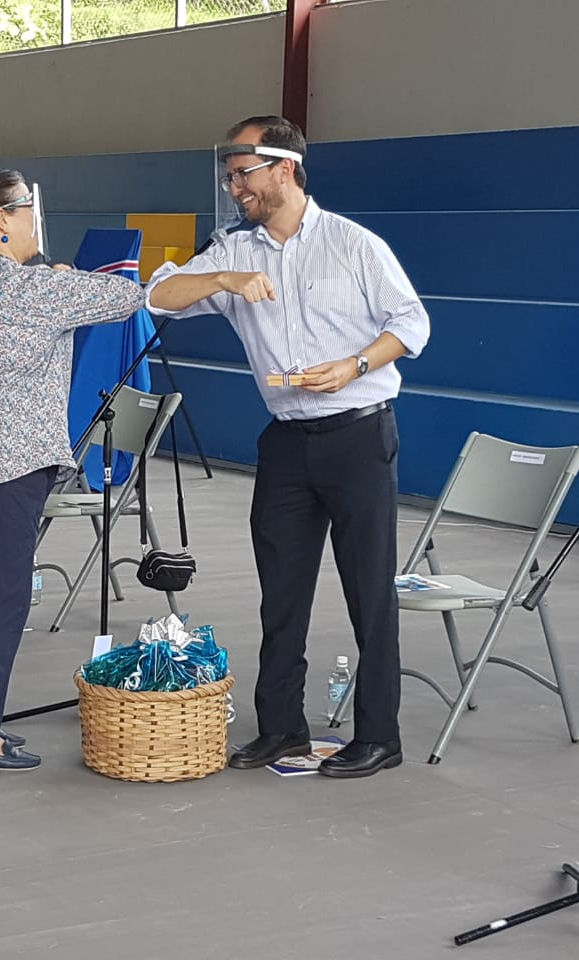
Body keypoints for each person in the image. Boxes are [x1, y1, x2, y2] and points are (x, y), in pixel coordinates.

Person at [146, 116, 431, 780]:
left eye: (242, 171)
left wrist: (355, 365)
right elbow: (158, 295)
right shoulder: (233, 250)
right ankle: (281, 729)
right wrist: (223, 281)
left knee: (369, 591)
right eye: (229, 173)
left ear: (284, 168)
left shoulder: (354, 245)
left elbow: (411, 323)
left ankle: (379, 735)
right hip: (285, 443)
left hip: (359, 431)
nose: (233, 184)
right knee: (281, 593)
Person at [0, 169, 146, 772]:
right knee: (1, 602)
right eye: (27, 209)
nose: (33, 221)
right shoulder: (30, 291)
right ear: (3, 219)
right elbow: (129, 297)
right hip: (9, 468)